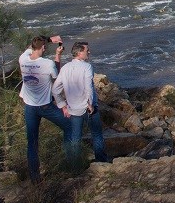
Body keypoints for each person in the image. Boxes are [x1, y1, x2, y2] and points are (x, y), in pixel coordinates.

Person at [51, 41, 109, 167]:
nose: (89, 52)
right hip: (88, 108)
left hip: (72, 109)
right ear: (79, 52)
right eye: (86, 50)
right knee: (97, 135)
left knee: (75, 138)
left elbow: (55, 89)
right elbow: (88, 86)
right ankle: (102, 162)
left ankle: (75, 165)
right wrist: (90, 104)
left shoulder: (65, 68)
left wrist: (63, 106)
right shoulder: (87, 67)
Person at [19, 34, 66, 182]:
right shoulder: (47, 63)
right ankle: (68, 161)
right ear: (44, 48)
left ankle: (35, 178)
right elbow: (56, 78)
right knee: (70, 126)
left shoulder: (23, 59)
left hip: (29, 106)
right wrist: (58, 55)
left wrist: (48, 39)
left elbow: (29, 47)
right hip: (45, 107)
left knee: (32, 143)